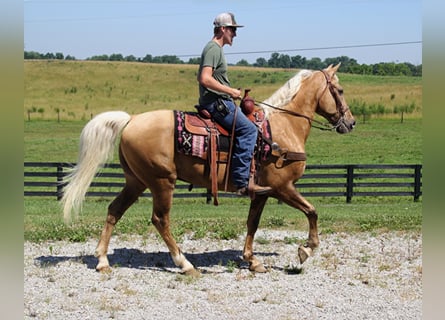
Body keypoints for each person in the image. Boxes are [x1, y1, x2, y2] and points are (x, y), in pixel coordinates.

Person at [197, 12, 271, 196]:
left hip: (219, 101)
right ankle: (241, 182)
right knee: (249, 130)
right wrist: (230, 91)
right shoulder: (213, 49)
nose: (235, 34)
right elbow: (204, 78)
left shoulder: (216, 49)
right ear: (223, 29)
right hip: (217, 104)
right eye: (232, 29)